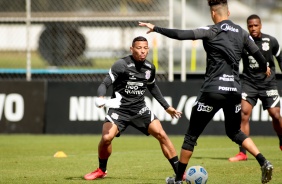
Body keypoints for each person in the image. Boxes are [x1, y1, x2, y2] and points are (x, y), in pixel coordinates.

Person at [139, 0, 273, 183]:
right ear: (229, 12)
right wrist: (265, 67)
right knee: (234, 132)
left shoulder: (211, 30)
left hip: (213, 91)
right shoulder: (242, 33)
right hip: (234, 91)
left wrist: (156, 28)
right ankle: (263, 161)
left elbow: (181, 34)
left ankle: (178, 180)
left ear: (213, 14)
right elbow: (259, 56)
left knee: (191, 136)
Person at [84, 36, 182, 181]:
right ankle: (101, 170)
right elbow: (104, 84)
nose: (143, 51)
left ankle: (180, 173)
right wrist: (100, 97)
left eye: (145, 48)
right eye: (139, 48)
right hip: (119, 109)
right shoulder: (121, 64)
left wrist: (167, 107)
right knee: (106, 139)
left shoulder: (150, 68)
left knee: (162, 135)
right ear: (132, 49)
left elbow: (153, 87)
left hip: (139, 109)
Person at [228, 14, 282, 162]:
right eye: (250, 26)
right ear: (247, 27)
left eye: (255, 25)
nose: (253, 28)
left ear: (261, 25)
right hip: (249, 83)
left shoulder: (271, 41)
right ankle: (243, 153)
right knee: (243, 114)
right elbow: (234, 62)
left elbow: (280, 60)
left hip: (268, 83)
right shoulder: (243, 42)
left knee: (276, 115)